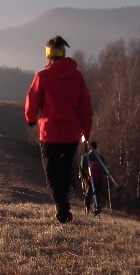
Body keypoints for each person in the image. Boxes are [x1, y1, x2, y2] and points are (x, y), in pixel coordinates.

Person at [25, 36, 94, 223]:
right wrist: (85, 133)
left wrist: (30, 118)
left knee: (52, 175)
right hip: (72, 134)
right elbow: (86, 108)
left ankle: (63, 208)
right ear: (64, 52)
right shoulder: (77, 76)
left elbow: (32, 101)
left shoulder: (42, 76)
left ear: (48, 54)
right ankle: (63, 206)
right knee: (64, 171)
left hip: (50, 134)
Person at [79, 140, 107, 215]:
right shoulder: (100, 157)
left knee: (88, 193)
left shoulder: (85, 157)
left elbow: (81, 169)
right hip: (99, 178)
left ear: (89, 148)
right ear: (96, 148)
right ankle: (96, 207)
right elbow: (104, 169)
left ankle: (87, 208)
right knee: (97, 193)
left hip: (89, 178)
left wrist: (83, 178)